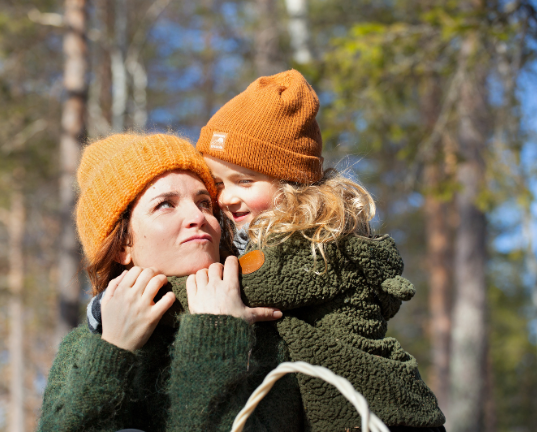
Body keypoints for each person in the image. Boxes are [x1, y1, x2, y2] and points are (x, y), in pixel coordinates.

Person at [191, 69, 447, 431]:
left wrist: (149, 285)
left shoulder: (312, 243)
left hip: (381, 414)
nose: (228, 197)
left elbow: (234, 286)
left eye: (245, 180)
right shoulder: (269, 237)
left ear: (290, 181)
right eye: (218, 183)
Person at [37, 133, 304, 431]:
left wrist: (217, 334)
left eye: (204, 203)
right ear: (123, 243)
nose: (198, 216)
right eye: (165, 204)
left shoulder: (269, 323)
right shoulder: (86, 347)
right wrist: (113, 350)